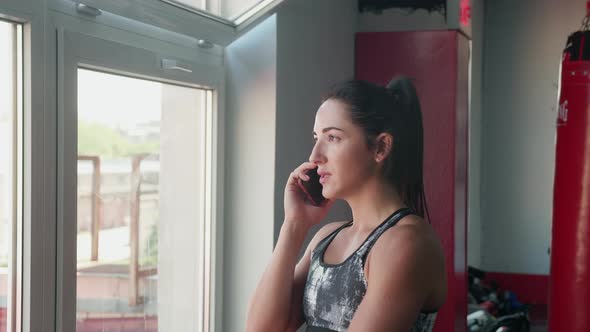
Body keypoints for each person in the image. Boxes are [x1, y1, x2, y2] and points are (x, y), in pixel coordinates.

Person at [245, 77, 447, 332]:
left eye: (333, 138)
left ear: (380, 147)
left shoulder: (405, 243)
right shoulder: (327, 237)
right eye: (316, 137)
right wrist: (294, 226)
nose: (314, 156)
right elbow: (260, 329)